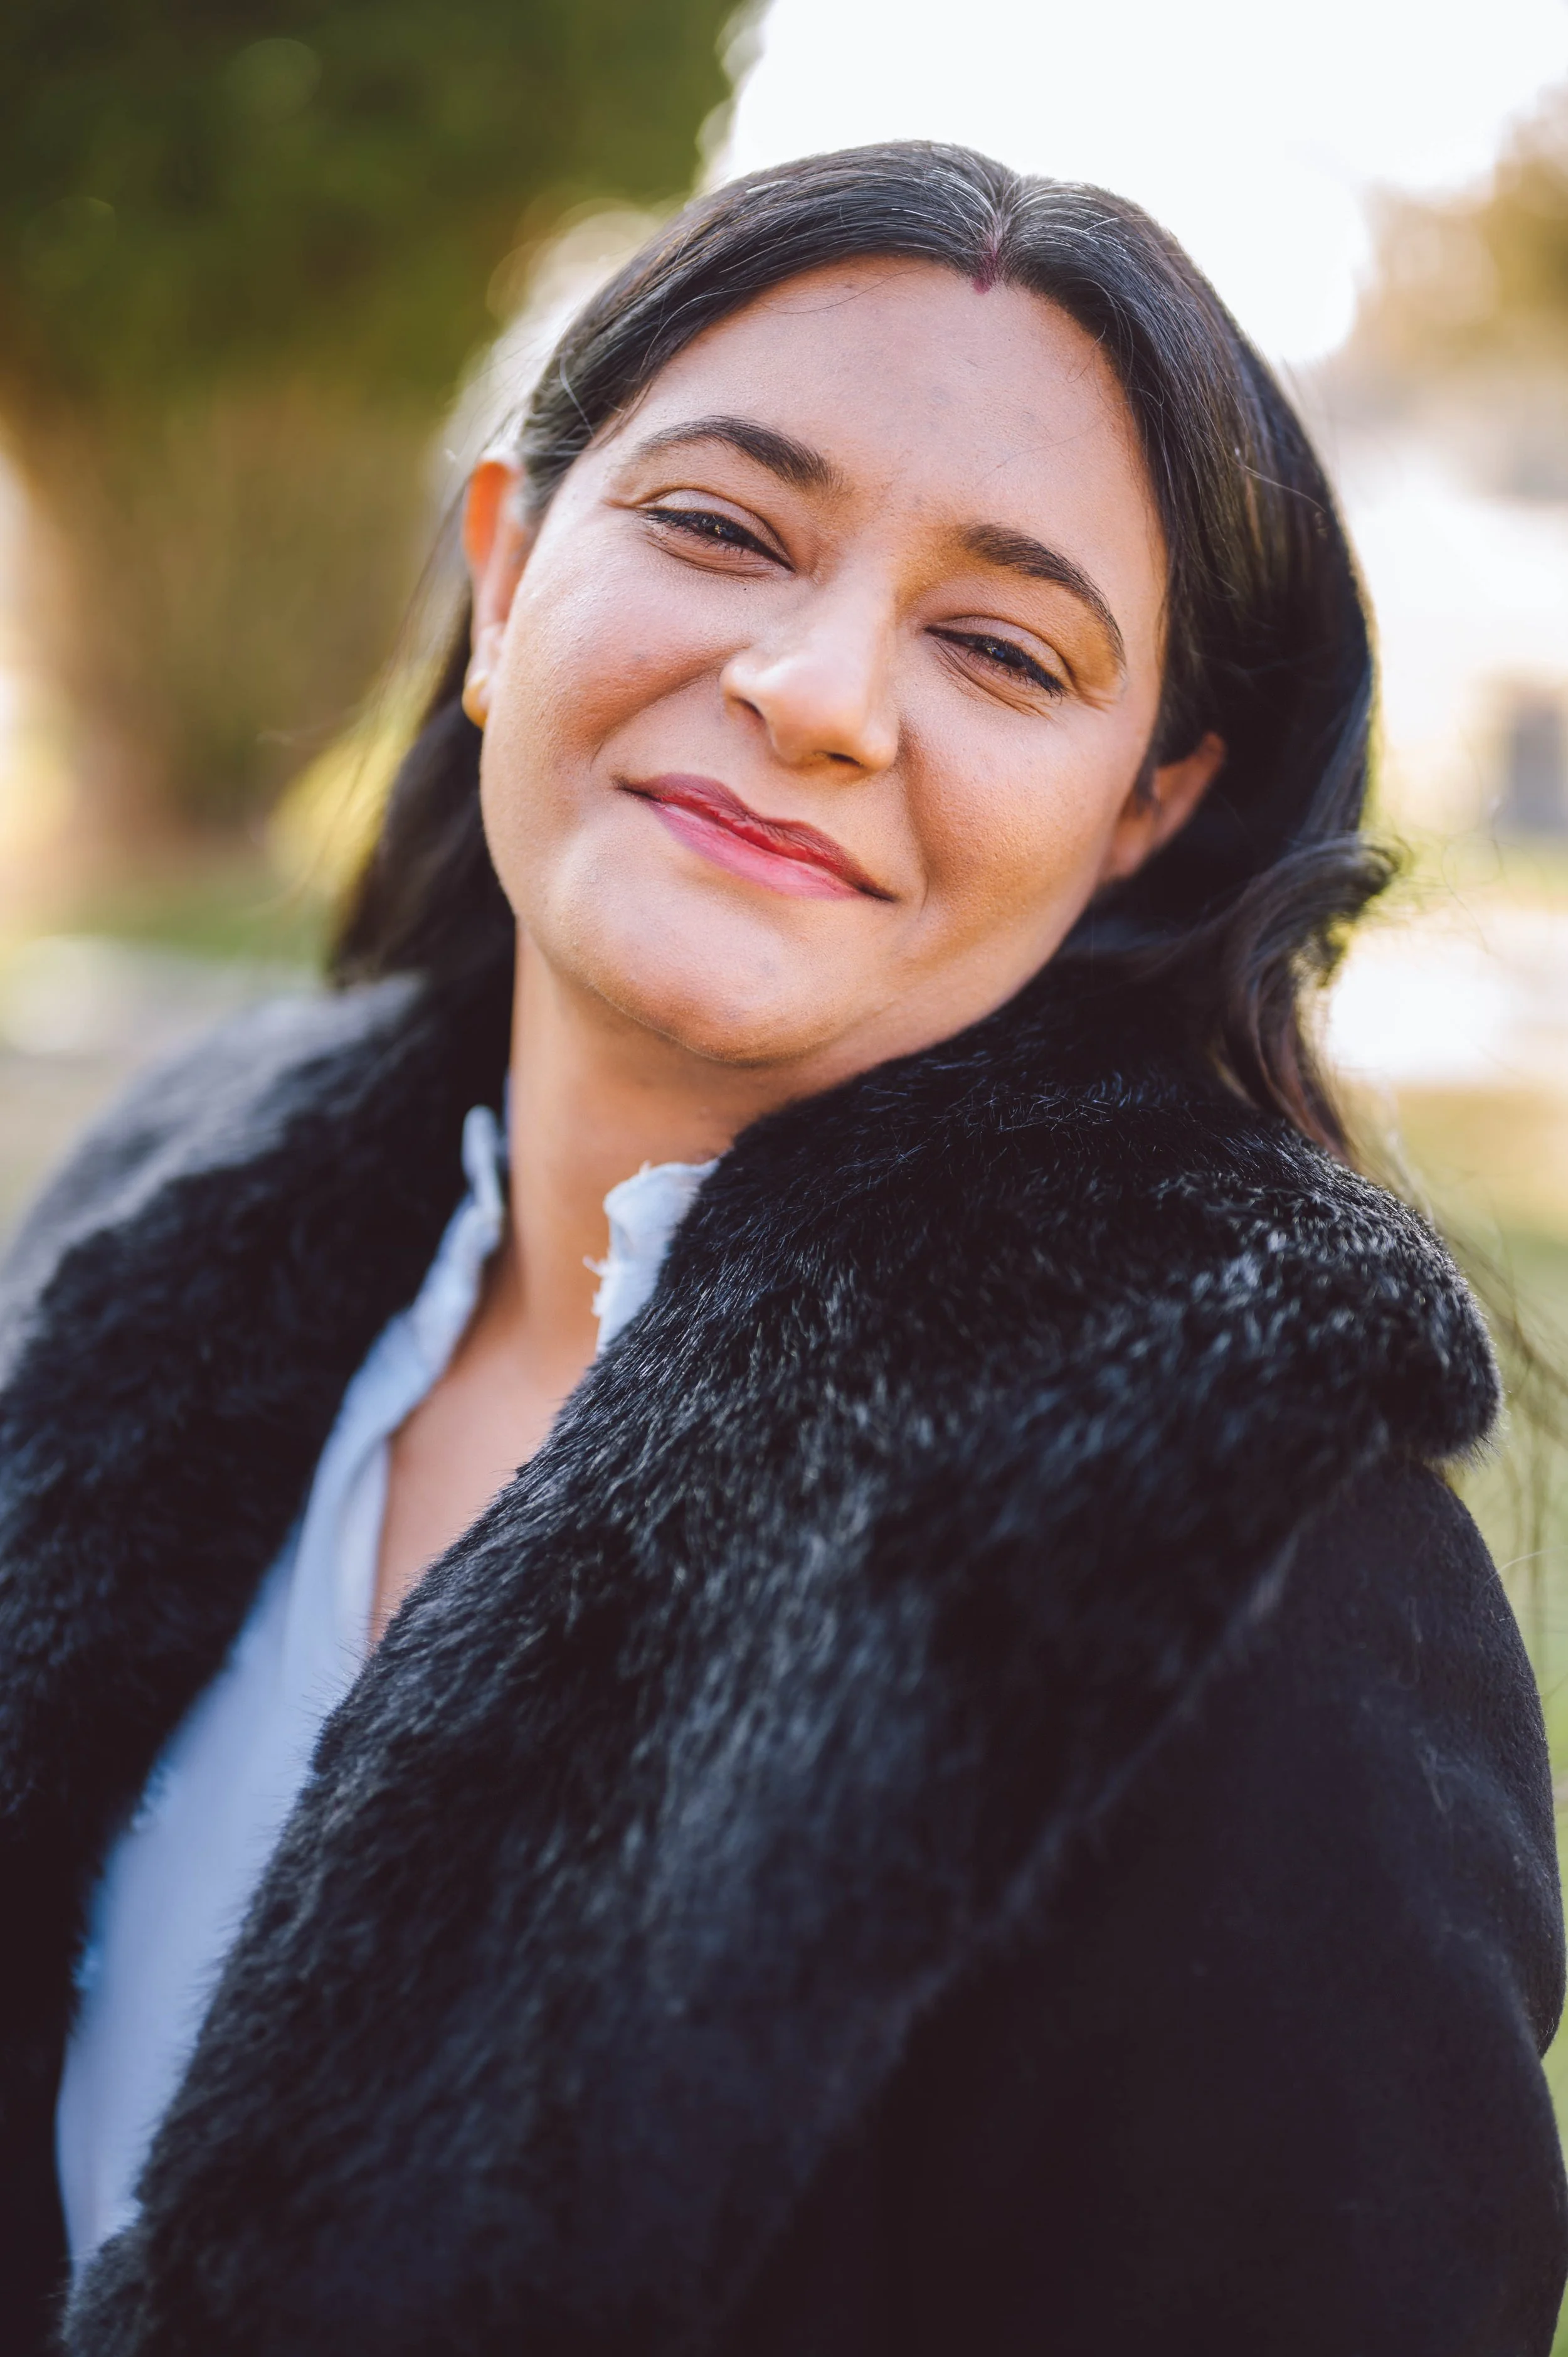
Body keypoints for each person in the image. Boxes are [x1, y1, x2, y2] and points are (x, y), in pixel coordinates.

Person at [0, 141, 1562, 2355]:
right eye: (723, 528)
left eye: (1002, 648)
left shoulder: (1250, 1568)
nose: (818, 690)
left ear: (1145, 806)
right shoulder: (153, 1210)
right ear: (505, 571)